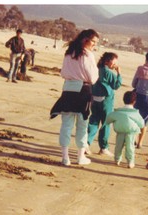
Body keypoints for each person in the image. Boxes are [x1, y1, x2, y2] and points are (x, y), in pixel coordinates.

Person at [50, 29, 99, 166]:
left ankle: (65, 157)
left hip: (68, 89)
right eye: (93, 42)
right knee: (82, 125)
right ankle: (80, 157)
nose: (94, 45)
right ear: (85, 40)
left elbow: (63, 72)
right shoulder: (88, 54)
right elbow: (93, 78)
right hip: (83, 89)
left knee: (66, 124)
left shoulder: (69, 53)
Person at [87, 52, 122, 156]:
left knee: (93, 121)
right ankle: (103, 147)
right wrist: (119, 74)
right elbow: (116, 85)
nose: (115, 64)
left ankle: (86, 143)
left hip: (94, 98)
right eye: (114, 61)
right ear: (107, 61)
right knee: (105, 124)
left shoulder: (97, 69)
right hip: (106, 101)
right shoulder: (108, 72)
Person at [106, 91, 144, 168]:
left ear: (124, 100)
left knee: (118, 146)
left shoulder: (117, 112)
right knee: (130, 147)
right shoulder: (135, 113)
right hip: (131, 132)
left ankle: (117, 159)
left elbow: (108, 119)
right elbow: (142, 124)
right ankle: (130, 161)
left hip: (120, 131)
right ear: (134, 102)